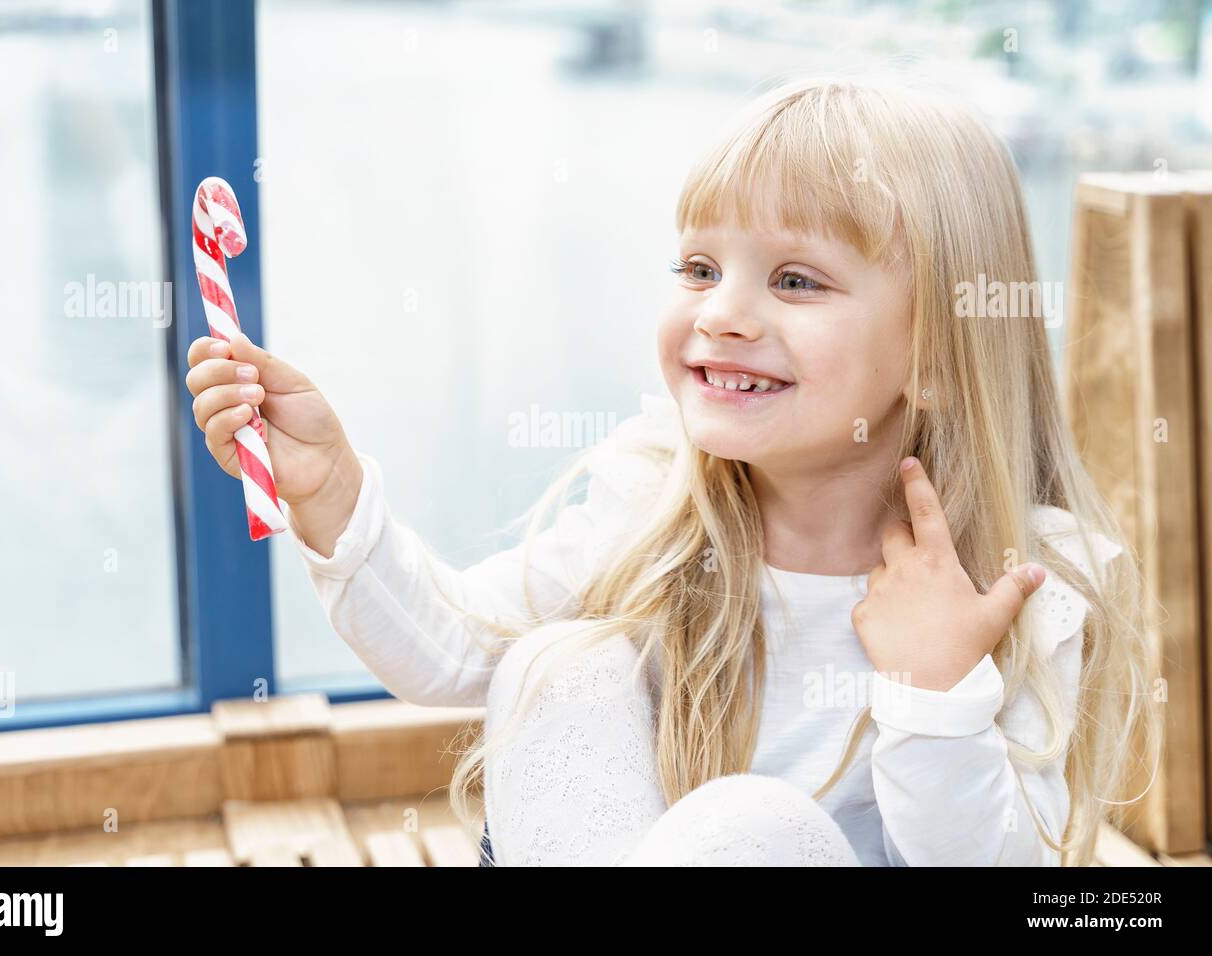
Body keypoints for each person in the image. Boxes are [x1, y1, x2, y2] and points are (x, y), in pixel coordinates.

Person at [184, 73, 1158, 866]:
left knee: (746, 827)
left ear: (938, 355)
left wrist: (936, 688)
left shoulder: (1029, 582)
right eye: (698, 268)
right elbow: (451, 649)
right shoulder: (655, 500)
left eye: (795, 279)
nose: (721, 313)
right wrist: (331, 489)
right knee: (555, 668)